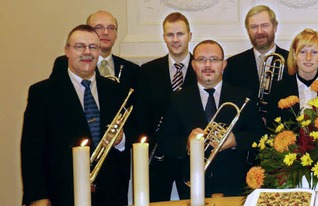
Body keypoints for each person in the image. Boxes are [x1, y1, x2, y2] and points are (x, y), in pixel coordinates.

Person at [21, 25, 131, 206]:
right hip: (61, 195)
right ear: (67, 51)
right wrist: (37, 196)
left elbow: (131, 139)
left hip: (110, 196)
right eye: (80, 46)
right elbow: (32, 149)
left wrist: (120, 141)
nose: (87, 52)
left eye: (93, 47)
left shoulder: (117, 92)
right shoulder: (42, 93)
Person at [159, 40, 265, 197]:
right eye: (201, 59)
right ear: (193, 65)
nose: (207, 65)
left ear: (223, 64)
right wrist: (188, 142)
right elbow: (164, 141)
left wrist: (235, 140)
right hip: (192, 186)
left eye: (214, 59)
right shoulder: (178, 99)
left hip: (235, 184)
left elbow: (260, 134)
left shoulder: (243, 96)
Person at [133, 12, 198, 201]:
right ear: (164, 38)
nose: (175, 40)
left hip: (190, 157)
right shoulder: (147, 71)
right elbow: (141, 116)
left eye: (180, 34)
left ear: (190, 36)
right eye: (170, 35)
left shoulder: (202, 68)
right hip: (158, 157)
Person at [50, 10, 141, 89]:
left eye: (111, 28)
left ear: (116, 34)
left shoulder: (132, 69)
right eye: (98, 27)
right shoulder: (65, 63)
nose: (106, 32)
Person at [264, 28, 318, 127]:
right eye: (303, 52)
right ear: (294, 54)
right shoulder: (279, 89)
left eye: (314, 52)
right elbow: (272, 127)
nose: (308, 58)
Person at [223, 5, 289, 97]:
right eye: (254, 27)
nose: (259, 32)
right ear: (248, 30)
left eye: (265, 25)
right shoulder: (232, 65)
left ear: (275, 27)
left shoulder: (291, 61)